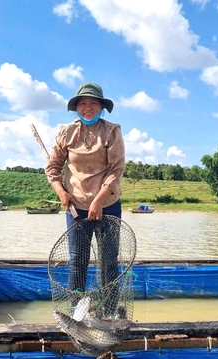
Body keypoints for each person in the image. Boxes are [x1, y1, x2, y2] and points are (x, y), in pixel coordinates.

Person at [45, 82, 126, 314]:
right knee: (77, 260)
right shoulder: (66, 132)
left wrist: (99, 200)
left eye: (93, 103)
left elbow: (116, 169)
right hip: (76, 207)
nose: (87, 107)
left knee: (109, 261)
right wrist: (61, 192)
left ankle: (108, 310)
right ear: (76, 107)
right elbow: (52, 168)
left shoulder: (111, 131)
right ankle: (76, 310)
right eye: (83, 103)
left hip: (107, 204)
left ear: (101, 106)